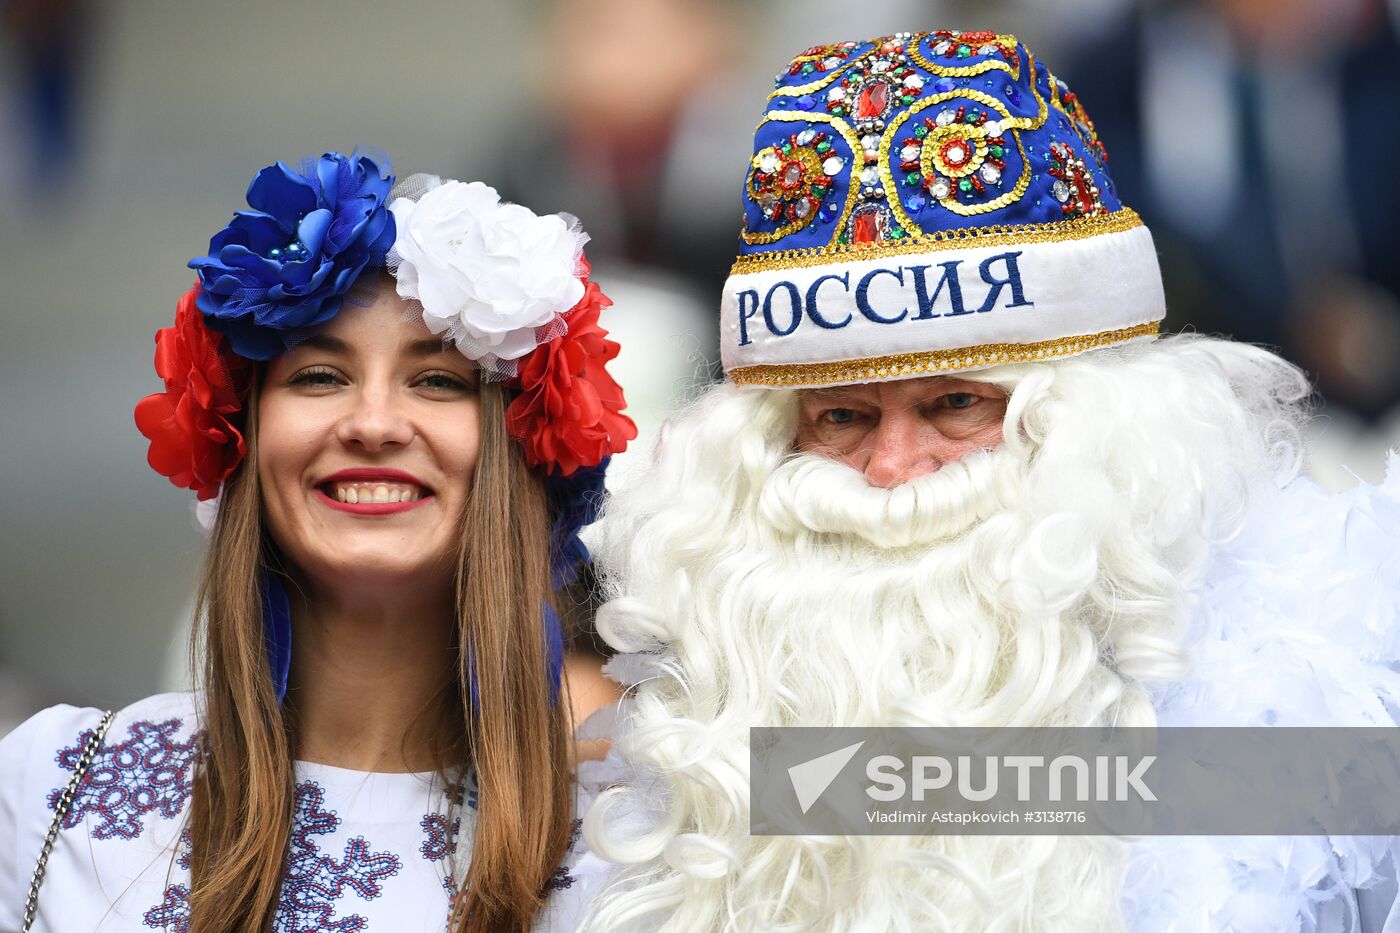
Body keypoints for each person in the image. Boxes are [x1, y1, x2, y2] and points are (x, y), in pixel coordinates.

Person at [579, 30, 1400, 932]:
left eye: (957, 404)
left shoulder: (1326, 677)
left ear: (1098, 425)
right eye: (842, 416)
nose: (893, 471)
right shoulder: (694, 724)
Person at [0, 151, 636, 932]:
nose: (371, 422)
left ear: (520, 445)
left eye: (436, 380)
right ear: (242, 434)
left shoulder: (649, 833)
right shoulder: (51, 784)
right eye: (318, 377)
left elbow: (832, 818)